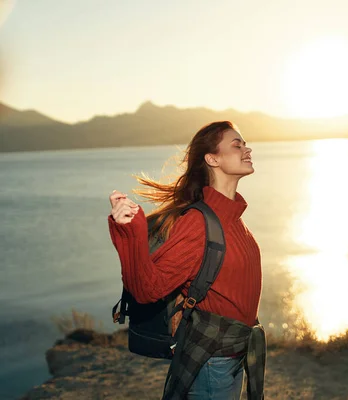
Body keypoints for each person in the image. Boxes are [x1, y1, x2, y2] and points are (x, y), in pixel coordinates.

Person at [107, 121, 264, 400]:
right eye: (237, 145)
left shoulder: (233, 218)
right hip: (211, 363)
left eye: (245, 144)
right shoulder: (198, 223)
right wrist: (130, 233)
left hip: (231, 356)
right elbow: (148, 288)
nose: (247, 148)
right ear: (212, 159)